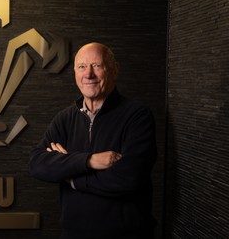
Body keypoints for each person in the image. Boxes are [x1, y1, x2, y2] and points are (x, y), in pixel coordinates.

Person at [29, 42, 157, 239]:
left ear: (114, 70)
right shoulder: (65, 118)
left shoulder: (137, 116)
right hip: (73, 234)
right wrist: (89, 161)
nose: (88, 74)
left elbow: (129, 178)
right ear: (75, 73)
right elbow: (37, 164)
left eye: (96, 66)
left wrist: (71, 177)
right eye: (81, 67)